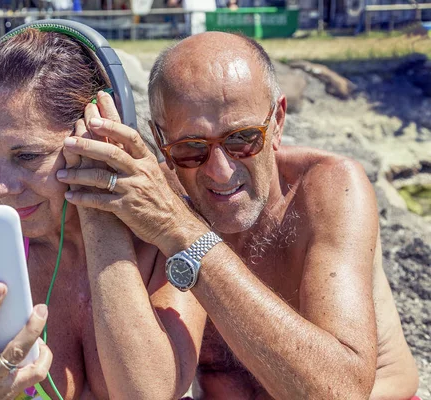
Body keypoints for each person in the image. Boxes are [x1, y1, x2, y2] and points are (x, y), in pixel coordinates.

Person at [56, 32, 420, 399]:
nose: (220, 171)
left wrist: (183, 233)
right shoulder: (152, 197)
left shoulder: (328, 189)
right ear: (160, 138)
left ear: (277, 121)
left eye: (242, 139)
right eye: (191, 147)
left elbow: (338, 392)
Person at [0, 28, 205, 399]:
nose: (0, 188)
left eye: (27, 156)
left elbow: (147, 392)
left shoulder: (167, 232)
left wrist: (99, 214)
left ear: (99, 138)